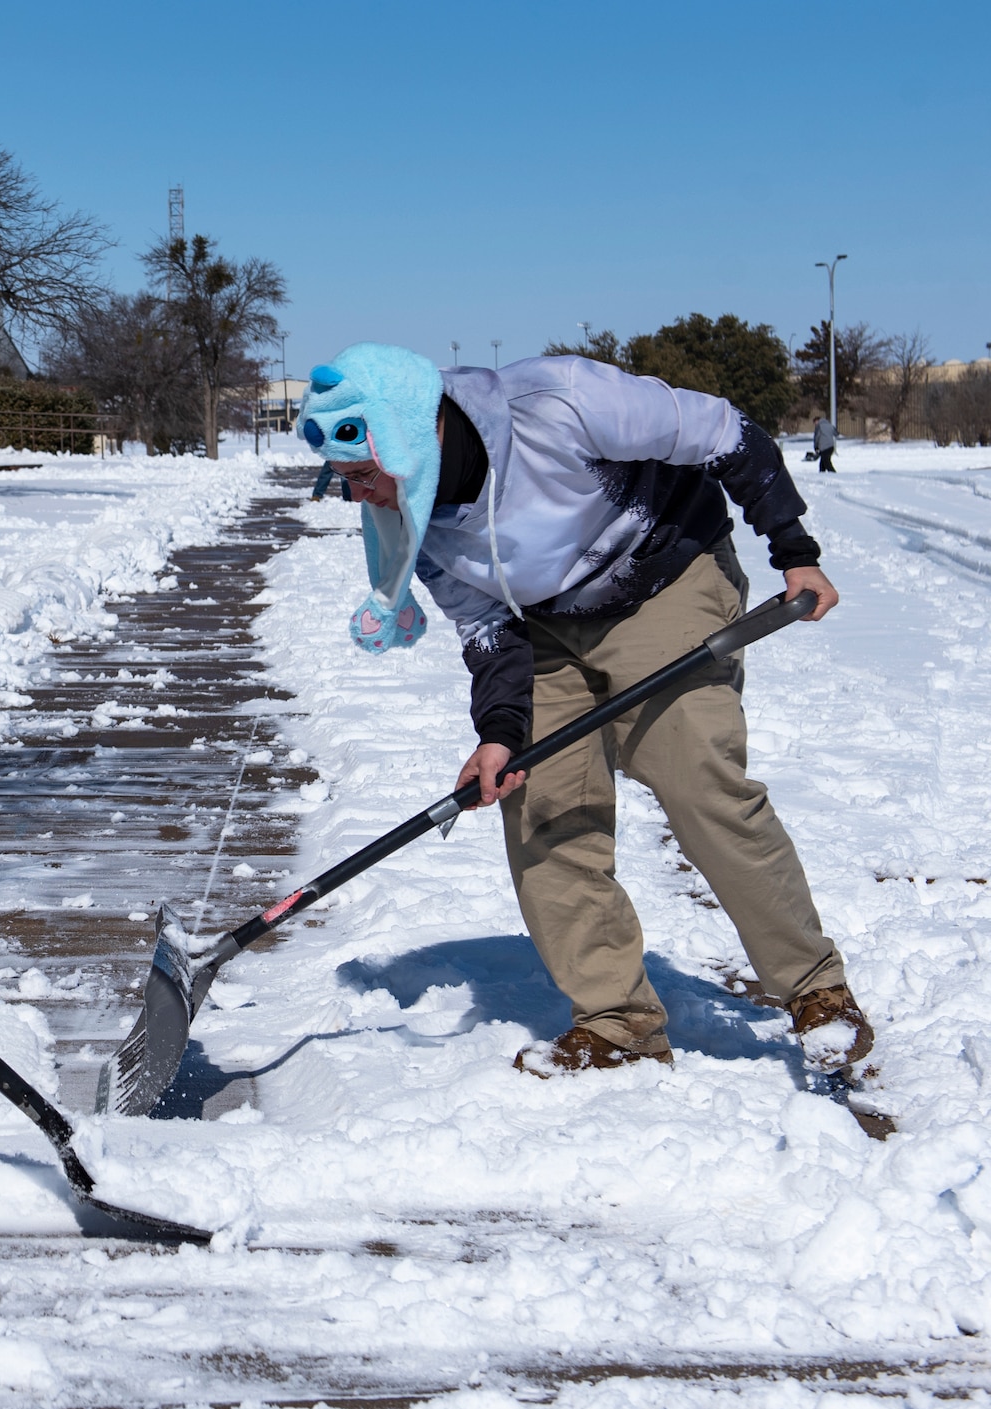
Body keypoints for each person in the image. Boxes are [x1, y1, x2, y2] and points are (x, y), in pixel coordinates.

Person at [299, 344, 872, 1077]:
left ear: (409, 434)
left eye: (360, 475)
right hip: (540, 626)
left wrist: (794, 548)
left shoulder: (558, 402)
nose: (357, 498)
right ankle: (617, 1021)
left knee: (697, 775)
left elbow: (727, 432)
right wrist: (500, 736)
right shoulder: (414, 522)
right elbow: (487, 630)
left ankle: (817, 991)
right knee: (539, 803)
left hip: (664, 575)